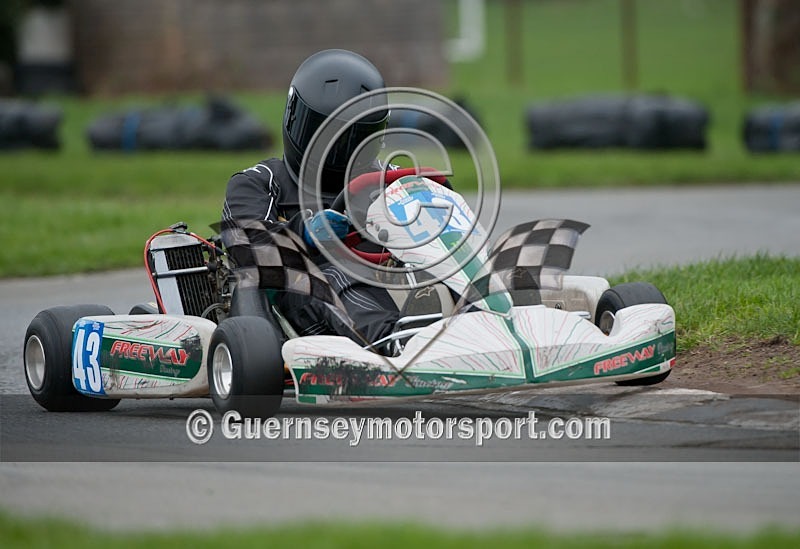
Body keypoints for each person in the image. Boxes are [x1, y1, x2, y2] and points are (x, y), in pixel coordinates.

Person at [221, 49, 400, 345]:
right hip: (302, 304)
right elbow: (248, 247)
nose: (343, 153)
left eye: (357, 140)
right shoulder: (258, 183)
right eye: (331, 141)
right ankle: (393, 342)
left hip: (393, 284)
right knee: (333, 276)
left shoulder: (393, 180)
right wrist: (303, 232)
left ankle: (490, 322)